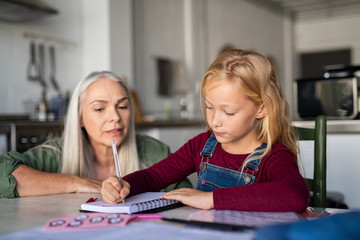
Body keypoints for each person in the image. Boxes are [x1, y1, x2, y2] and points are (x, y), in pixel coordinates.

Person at [101, 49, 310, 212]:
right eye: (209, 107)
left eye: (228, 112)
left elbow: (296, 195)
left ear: (262, 108)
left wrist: (211, 199)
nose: (214, 122)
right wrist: (125, 183)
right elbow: (154, 176)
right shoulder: (201, 146)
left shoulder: (273, 156)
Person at [0, 71, 192, 198]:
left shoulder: (152, 151)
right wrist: (75, 182)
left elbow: (189, 196)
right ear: (80, 118)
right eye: (100, 108)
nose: (115, 117)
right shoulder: (55, 154)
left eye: (123, 106)